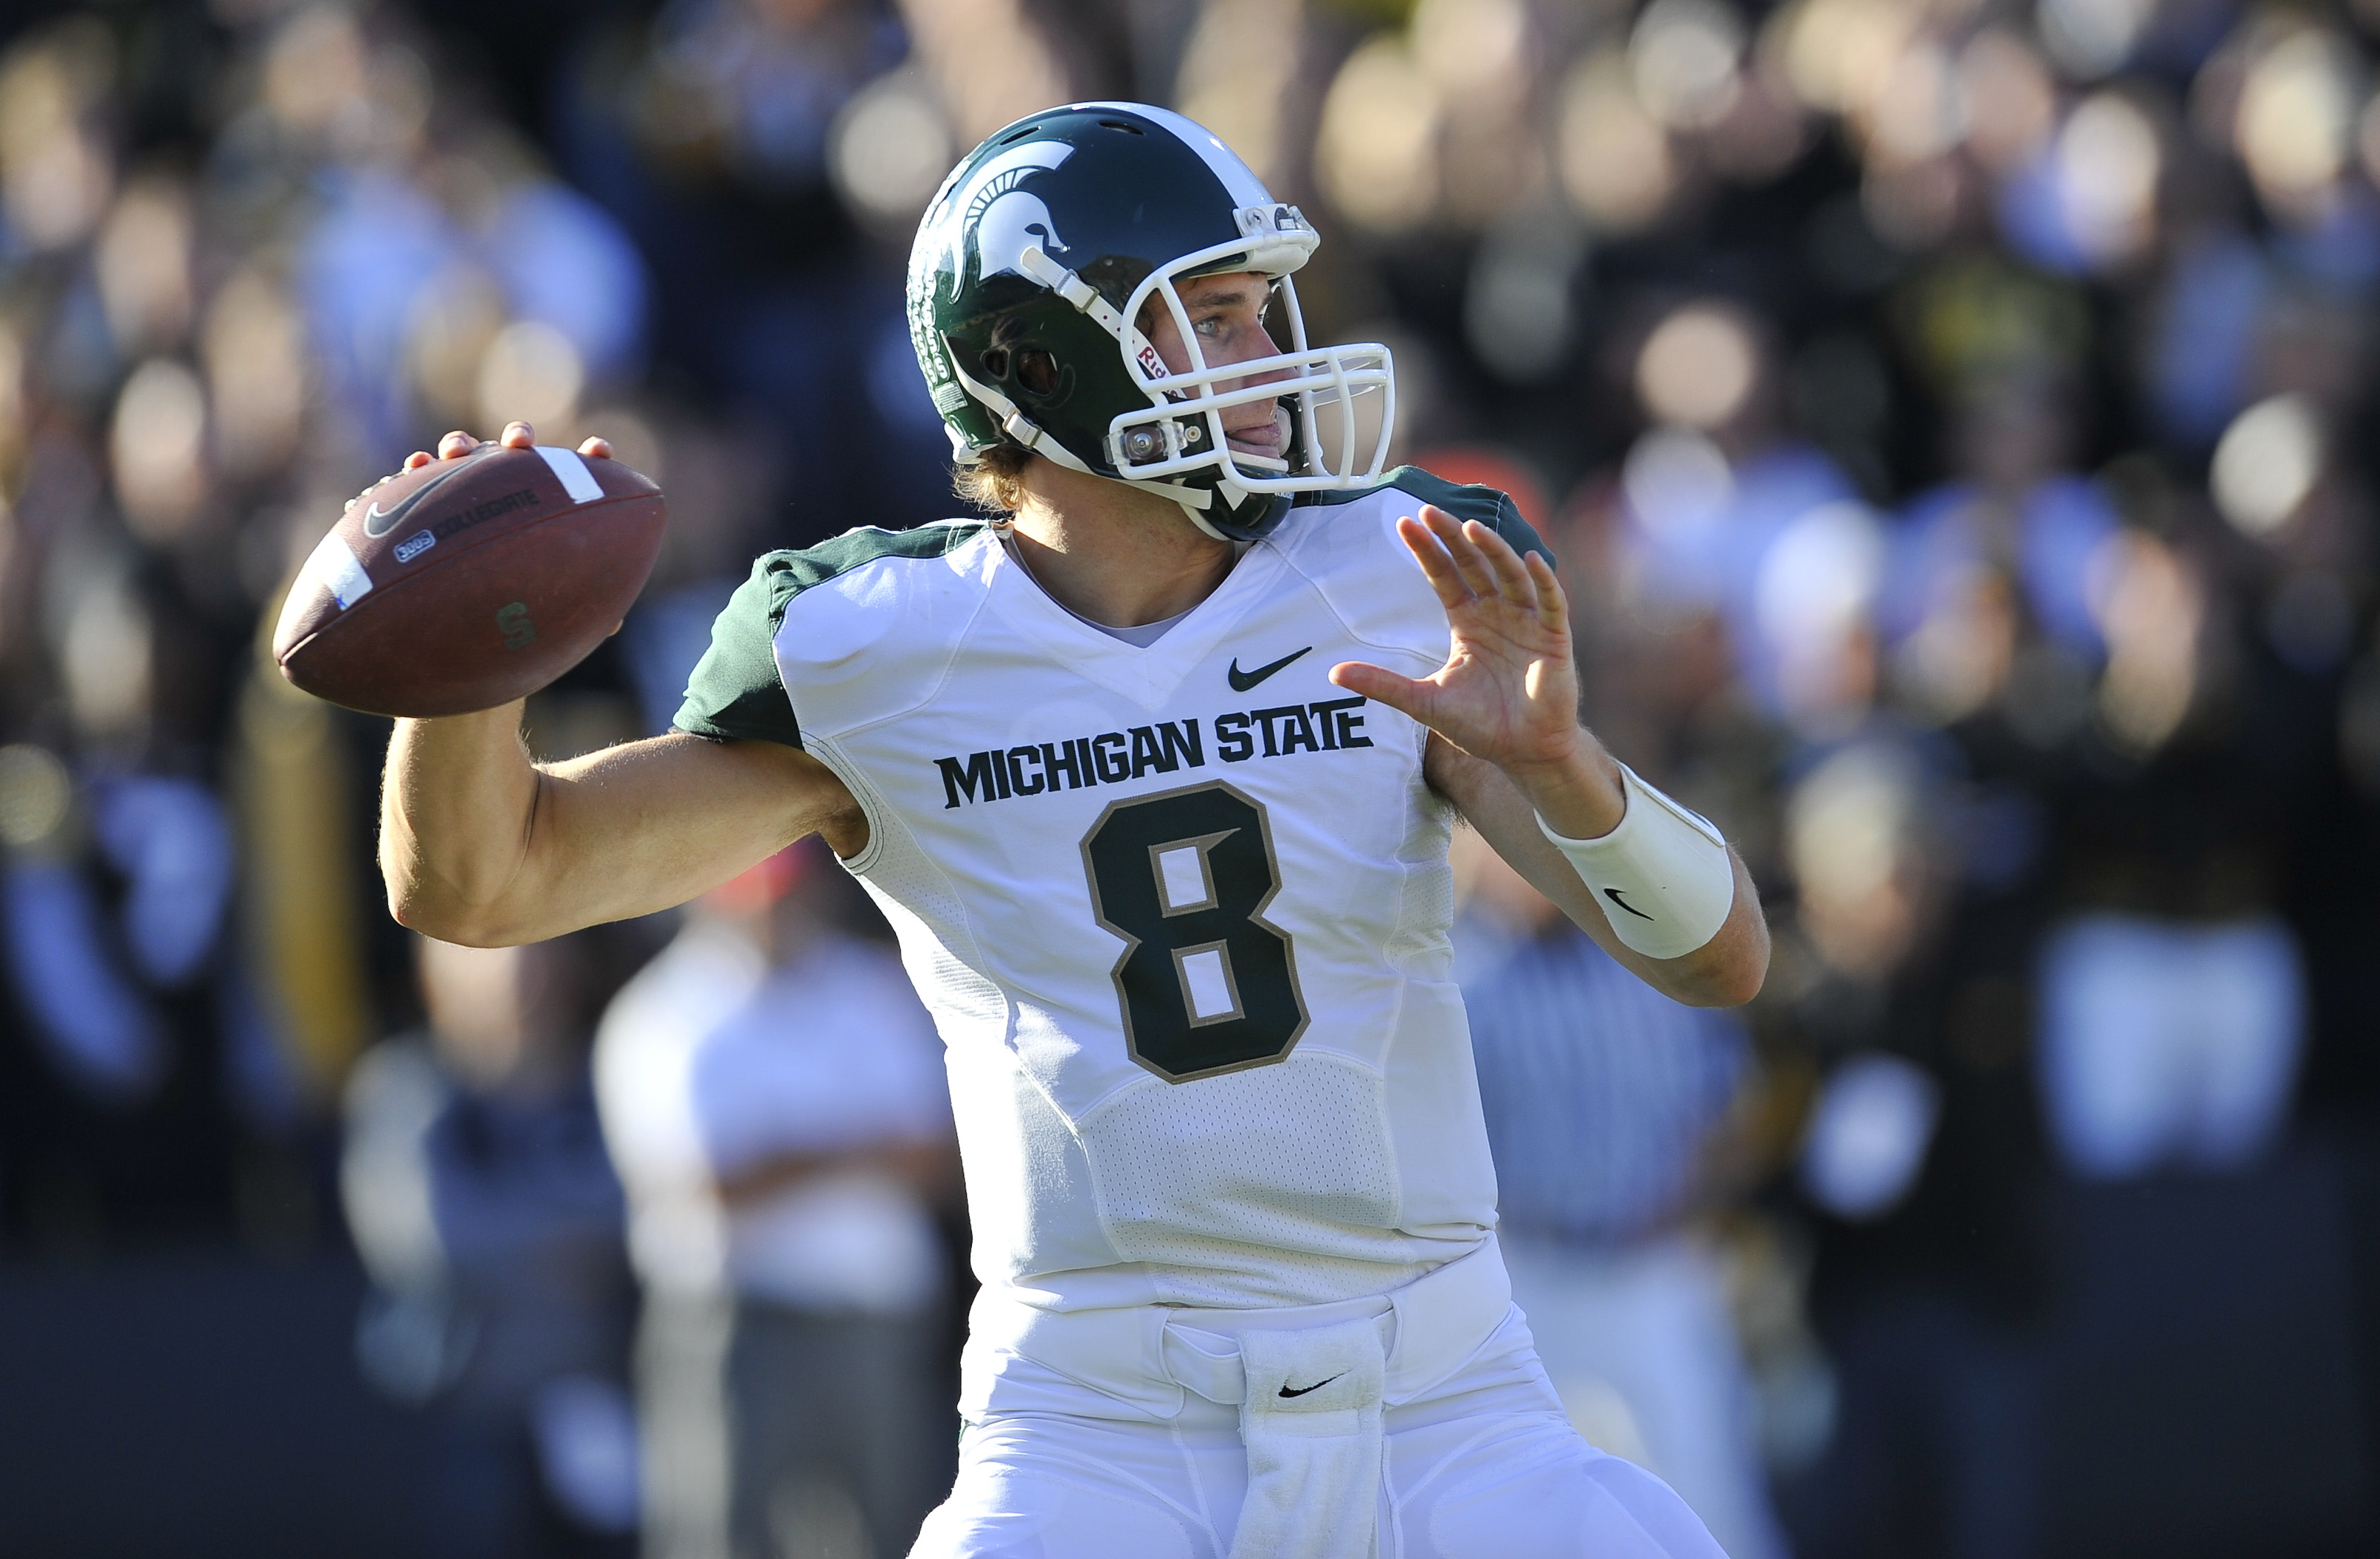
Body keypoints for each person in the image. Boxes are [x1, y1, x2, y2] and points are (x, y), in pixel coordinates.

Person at [373, 102, 1767, 1558]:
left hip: (1444, 1397)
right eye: (1209, 322)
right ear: (1040, 364)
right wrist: (464, 666)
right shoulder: (875, 648)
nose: (1264, 363)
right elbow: (485, 882)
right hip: (1101, 1426)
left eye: (1258, 314)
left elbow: (1720, 960)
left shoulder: (1389, 569)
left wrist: (1562, 771)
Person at [595, 840, 959, 1558]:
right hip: (737, 1328)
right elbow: (711, 1189)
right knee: (723, 1539)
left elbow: (938, 1159)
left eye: (787, 888)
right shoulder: (665, 1013)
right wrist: (862, 1149)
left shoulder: (872, 986)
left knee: (895, 1536)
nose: (776, 908)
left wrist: (791, 1155)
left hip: (875, 1321)